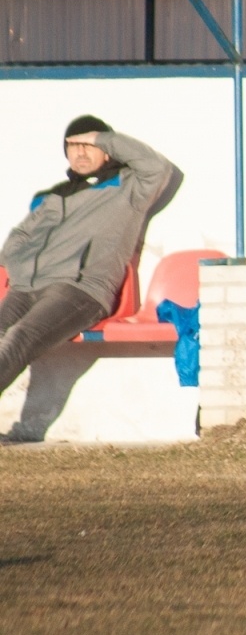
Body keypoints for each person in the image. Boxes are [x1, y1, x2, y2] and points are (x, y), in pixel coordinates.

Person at [0, 117, 178, 418]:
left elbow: (158, 167)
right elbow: (19, 238)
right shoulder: (52, 197)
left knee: (20, 337)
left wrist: (103, 137)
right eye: (73, 146)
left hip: (80, 291)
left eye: (88, 145)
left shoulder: (127, 188)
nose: (80, 152)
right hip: (26, 287)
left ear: (106, 151)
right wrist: (20, 266)